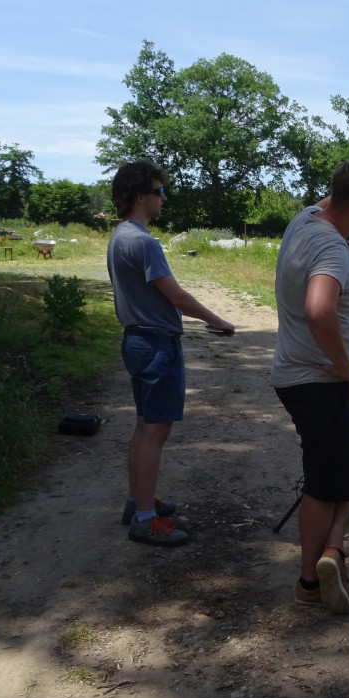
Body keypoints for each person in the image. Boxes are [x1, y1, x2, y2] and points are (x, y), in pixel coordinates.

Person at [272, 159, 349, 613]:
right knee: (325, 483)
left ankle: (334, 553)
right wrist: (345, 368)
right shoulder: (331, 248)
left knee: (344, 469)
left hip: (301, 375)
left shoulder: (306, 218)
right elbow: (319, 309)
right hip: (320, 381)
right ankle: (309, 584)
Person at [107, 160, 236, 546]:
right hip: (156, 345)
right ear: (140, 195)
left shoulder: (120, 236)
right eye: (159, 191)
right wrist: (219, 321)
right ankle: (145, 520)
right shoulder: (143, 242)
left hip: (138, 341)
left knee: (145, 425)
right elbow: (175, 294)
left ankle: (139, 501)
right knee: (154, 431)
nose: (164, 198)